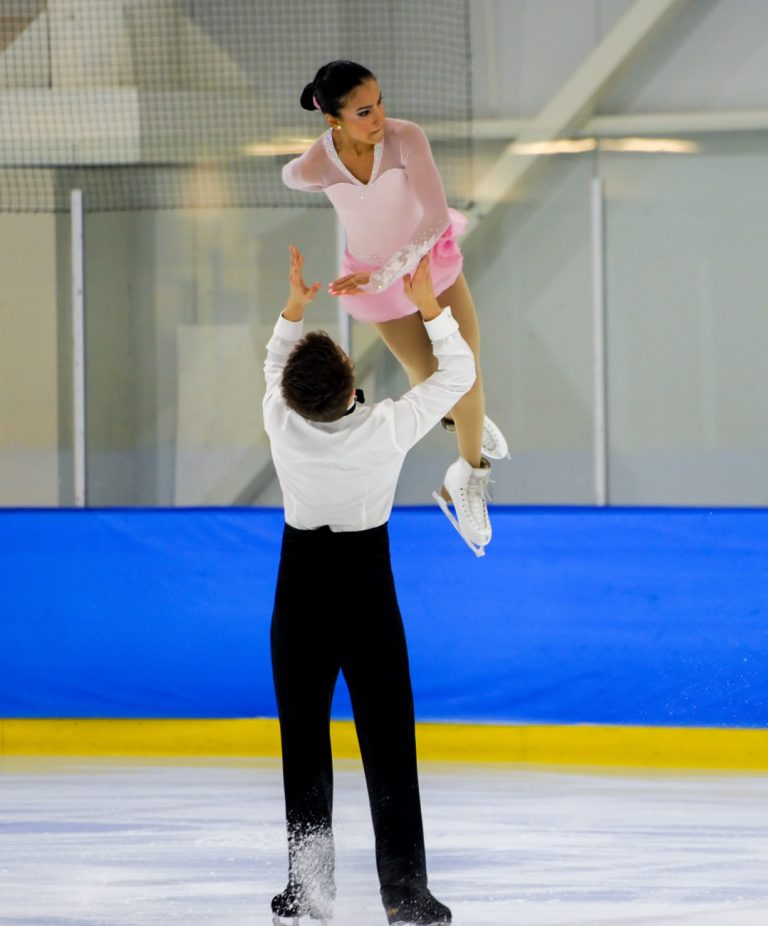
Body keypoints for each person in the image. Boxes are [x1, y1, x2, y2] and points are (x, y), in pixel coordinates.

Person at [264, 244, 474, 925]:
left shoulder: (280, 421)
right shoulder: (384, 429)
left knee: (303, 737)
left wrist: (295, 307)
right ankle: (405, 893)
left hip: (298, 592)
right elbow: (459, 373)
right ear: (352, 385)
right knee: (387, 740)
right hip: (364, 591)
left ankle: (309, 888)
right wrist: (429, 306)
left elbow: (275, 370)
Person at [282, 59, 508, 557]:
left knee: (465, 371)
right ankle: (462, 417)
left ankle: (465, 479)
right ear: (332, 118)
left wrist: (387, 273)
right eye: (364, 110)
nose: (379, 114)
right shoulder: (319, 162)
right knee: (431, 382)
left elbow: (430, 216)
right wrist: (311, 171)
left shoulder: (406, 138)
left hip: (430, 266)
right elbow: (291, 174)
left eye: (380, 101)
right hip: (373, 286)